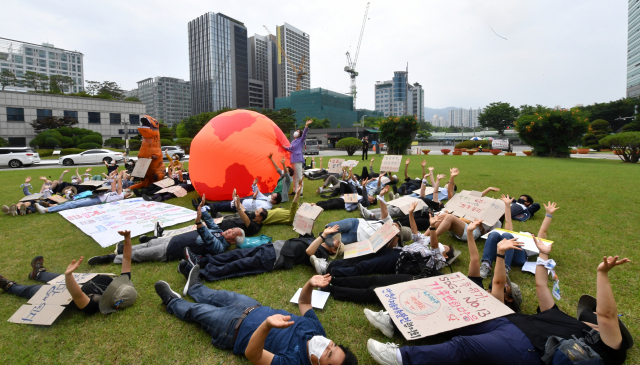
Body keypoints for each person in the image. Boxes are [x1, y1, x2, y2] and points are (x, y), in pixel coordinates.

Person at [366, 238, 633, 365]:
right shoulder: (562, 317)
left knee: (463, 346)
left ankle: (401, 357)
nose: (593, 313)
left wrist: (602, 274)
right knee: (452, 317)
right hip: (505, 321)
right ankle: (393, 323)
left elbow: (609, 315)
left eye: (594, 312)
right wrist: (542, 254)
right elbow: (541, 283)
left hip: (526, 348)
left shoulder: (608, 345)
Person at [154, 273, 358, 365]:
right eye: (333, 345)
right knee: (214, 295)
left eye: (329, 354)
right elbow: (304, 304)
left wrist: (267, 325)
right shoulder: (317, 331)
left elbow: (254, 356)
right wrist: (309, 284)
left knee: (197, 311)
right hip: (251, 306)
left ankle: (172, 302)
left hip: (232, 329)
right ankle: (194, 287)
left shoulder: (294, 362)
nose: (326, 344)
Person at [318, 202, 449, 307]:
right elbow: (415, 233)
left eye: (447, 248)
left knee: (366, 265)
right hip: (396, 251)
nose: (444, 245)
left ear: (446, 256)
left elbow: (434, 246)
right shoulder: (425, 241)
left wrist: (432, 228)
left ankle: (333, 273)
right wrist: (410, 213)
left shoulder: (439, 259)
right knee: (362, 257)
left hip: (398, 259)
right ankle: (330, 266)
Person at [0, 230, 137, 316]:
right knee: (55, 277)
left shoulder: (93, 305)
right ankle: (38, 274)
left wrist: (68, 276)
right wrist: (127, 238)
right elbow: (126, 258)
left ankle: (9, 286)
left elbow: (76, 294)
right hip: (80, 281)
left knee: (33, 290)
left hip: (64, 294)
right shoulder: (120, 284)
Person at [87, 195, 244, 265]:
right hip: (172, 240)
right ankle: (120, 250)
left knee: (138, 255)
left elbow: (209, 240)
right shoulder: (219, 231)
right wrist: (202, 209)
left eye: (232, 233)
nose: (229, 230)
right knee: (145, 245)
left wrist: (199, 224)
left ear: (232, 241)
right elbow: (210, 221)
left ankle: (109, 258)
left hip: (170, 251)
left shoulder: (221, 248)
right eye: (232, 229)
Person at [179, 225, 340, 284]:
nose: (334, 239)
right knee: (236, 255)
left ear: (333, 250)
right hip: (272, 246)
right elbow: (304, 228)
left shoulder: (321, 253)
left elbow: (308, 251)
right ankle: (201, 260)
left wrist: (323, 235)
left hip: (276, 258)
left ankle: (201, 273)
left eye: (337, 243)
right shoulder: (317, 239)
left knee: (238, 265)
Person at [480, 200, 559, 279]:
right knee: (494, 234)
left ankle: (504, 270)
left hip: (519, 256)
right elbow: (508, 222)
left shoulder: (533, 239)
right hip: (499, 252)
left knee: (506, 234)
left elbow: (543, 230)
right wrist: (507, 206)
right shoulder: (516, 235)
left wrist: (549, 215)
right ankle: (486, 265)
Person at [35, 170, 127, 214]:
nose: (125, 192)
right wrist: (113, 177)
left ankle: (47, 210)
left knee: (72, 205)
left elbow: (119, 187)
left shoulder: (120, 196)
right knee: (72, 202)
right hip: (95, 196)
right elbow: (113, 186)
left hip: (97, 200)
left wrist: (119, 178)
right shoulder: (116, 193)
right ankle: (50, 206)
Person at [210, 178, 281, 213]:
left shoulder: (267, 207)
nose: (270, 196)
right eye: (272, 194)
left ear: (274, 201)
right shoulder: (266, 198)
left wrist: (253, 199)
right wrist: (254, 185)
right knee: (223, 203)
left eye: (272, 196)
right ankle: (207, 204)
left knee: (222, 206)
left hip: (241, 206)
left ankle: (206, 207)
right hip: (242, 200)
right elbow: (258, 193)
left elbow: (255, 210)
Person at [283, 119, 313, 194]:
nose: (296, 132)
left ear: (299, 134)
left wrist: (306, 125)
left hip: (298, 159)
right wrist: (285, 148)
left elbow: (304, 134)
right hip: (292, 160)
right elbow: (290, 150)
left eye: (298, 132)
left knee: (299, 176)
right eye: (296, 131)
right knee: (294, 176)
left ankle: (300, 192)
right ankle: (294, 190)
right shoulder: (293, 141)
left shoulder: (301, 140)